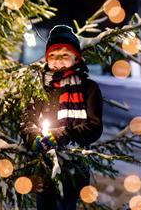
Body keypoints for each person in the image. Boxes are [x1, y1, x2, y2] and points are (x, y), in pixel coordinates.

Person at [20, 25, 103, 210]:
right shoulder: (40, 87)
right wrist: (33, 137)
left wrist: (63, 134)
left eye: (64, 55)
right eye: (53, 55)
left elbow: (94, 127)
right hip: (44, 164)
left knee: (67, 205)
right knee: (44, 205)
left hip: (73, 165)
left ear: (76, 58)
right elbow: (26, 120)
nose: (58, 60)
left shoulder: (88, 88)